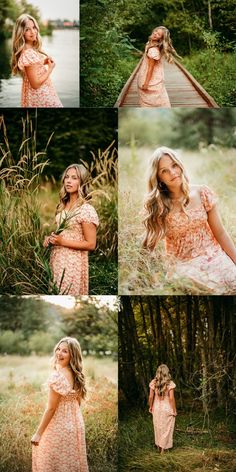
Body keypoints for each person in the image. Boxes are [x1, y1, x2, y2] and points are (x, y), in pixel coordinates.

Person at [142, 147, 236, 294]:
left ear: (180, 165)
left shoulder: (202, 192)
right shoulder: (158, 205)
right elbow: (148, 245)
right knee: (212, 291)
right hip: (183, 265)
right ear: (158, 178)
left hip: (213, 254)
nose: (172, 172)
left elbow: (221, 233)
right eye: (164, 171)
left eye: (174, 165)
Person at [31, 337, 89, 472]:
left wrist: (38, 433)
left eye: (65, 351)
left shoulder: (57, 377)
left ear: (72, 355)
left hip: (58, 426)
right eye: (58, 349)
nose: (59, 353)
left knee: (49, 461)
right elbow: (77, 402)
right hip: (75, 424)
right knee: (69, 462)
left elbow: (51, 408)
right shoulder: (77, 375)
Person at [44, 163, 99, 295]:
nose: (68, 181)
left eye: (74, 178)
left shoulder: (86, 209)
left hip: (72, 262)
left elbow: (91, 244)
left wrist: (62, 242)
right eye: (67, 177)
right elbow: (65, 232)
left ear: (82, 181)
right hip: (57, 258)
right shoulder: (63, 205)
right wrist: (50, 238)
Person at [11, 14, 63, 107]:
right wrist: (50, 69)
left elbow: (31, 67)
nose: (33, 32)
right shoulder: (28, 53)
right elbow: (35, 84)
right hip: (41, 97)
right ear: (21, 32)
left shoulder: (29, 51)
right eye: (27, 29)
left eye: (34, 27)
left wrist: (42, 62)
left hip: (39, 95)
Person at [137, 26, 179, 107]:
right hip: (153, 75)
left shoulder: (153, 51)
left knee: (152, 102)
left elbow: (150, 69)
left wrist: (146, 84)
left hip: (151, 79)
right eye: (156, 31)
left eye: (158, 34)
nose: (155, 33)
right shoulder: (149, 43)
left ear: (160, 39)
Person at [149, 364, 176, 453]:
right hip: (167, 408)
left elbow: (150, 397)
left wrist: (150, 406)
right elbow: (171, 398)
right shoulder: (170, 383)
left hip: (156, 408)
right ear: (167, 372)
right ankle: (163, 449)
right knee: (166, 428)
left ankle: (158, 446)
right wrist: (174, 410)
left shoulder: (153, 382)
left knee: (157, 427)